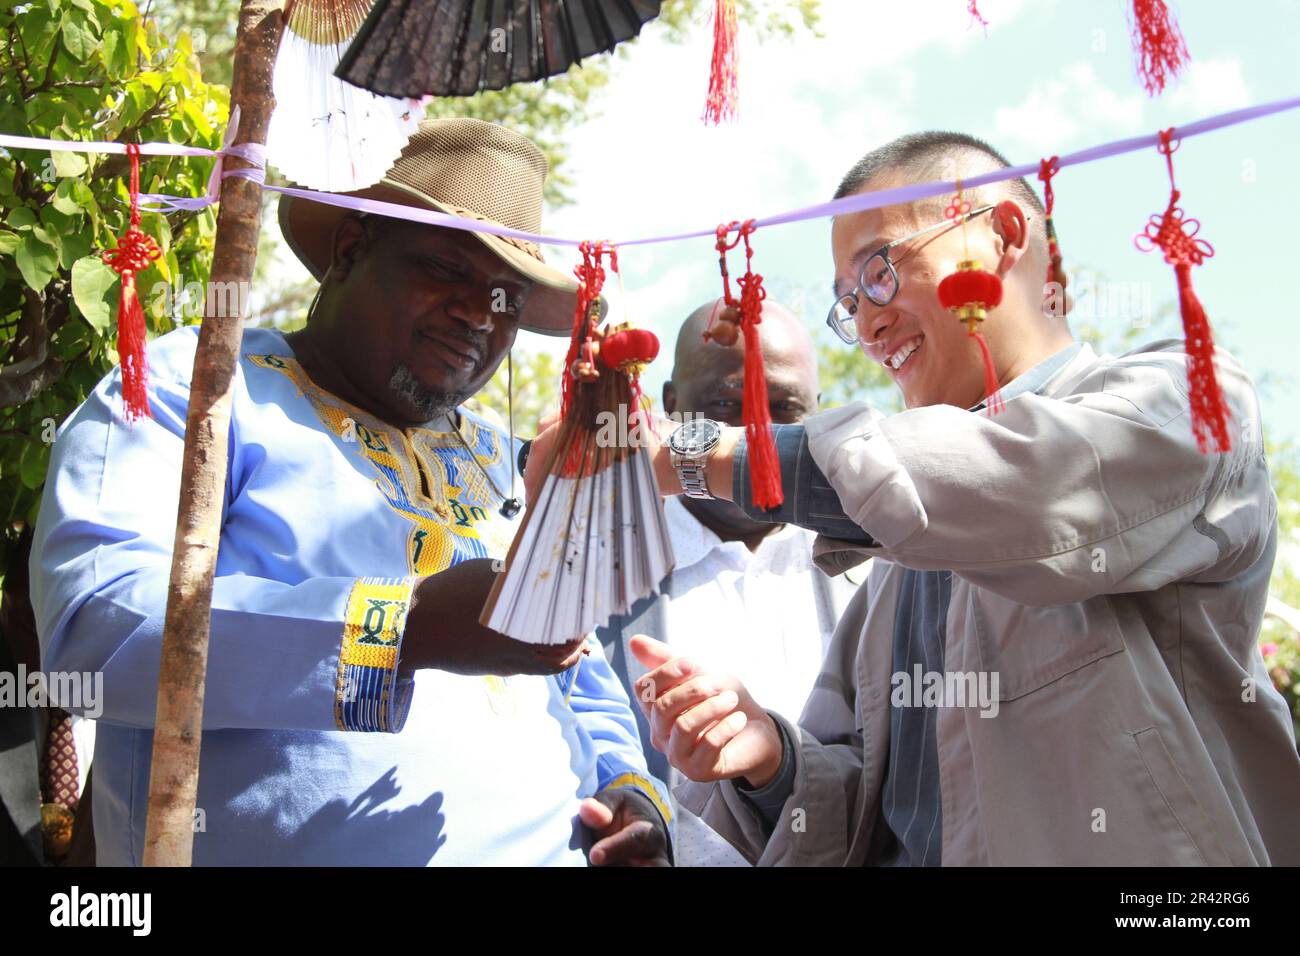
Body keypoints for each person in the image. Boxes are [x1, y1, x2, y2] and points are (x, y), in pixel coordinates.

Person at [531, 130, 1300, 865]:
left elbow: (1024, 486)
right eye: (848, 300)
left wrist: (680, 455)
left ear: (1003, 233)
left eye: (880, 272)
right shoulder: (897, 564)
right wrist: (769, 757)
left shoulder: (1190, 403)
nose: (867, 320)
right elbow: (871, 805)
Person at [29, 118, 671, 866]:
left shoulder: (504, 461)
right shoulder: (200, 386)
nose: (478, 313)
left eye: (507, 297)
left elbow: (581, 668)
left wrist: (630, 791)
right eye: (446, 267)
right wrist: (405, 631)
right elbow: (93, 632)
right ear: (351, 249)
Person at [596, 299, 858, 866]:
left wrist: (776, 764)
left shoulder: (877, 569)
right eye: (723, 405)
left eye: (782, 408)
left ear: (817, 411)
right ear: (670, 406)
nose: (750, 438)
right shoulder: (591, 567)